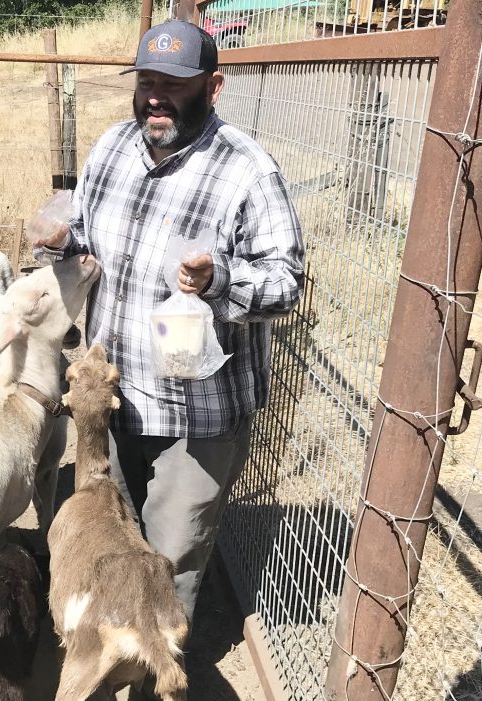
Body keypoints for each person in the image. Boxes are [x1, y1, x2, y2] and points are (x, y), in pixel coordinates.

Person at [30, 18, 305, 621]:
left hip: (197, 414)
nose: (155, 95)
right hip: (113, 397)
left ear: (213, 86)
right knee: (107, 538)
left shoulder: (248, 173)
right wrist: (58, 240)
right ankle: (106, 657)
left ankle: (163, 682)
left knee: (169, 558)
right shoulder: (110, 149)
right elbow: (85, 238)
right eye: (147, 80)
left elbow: (287, 285)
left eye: (174, 83)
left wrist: (220, 282)